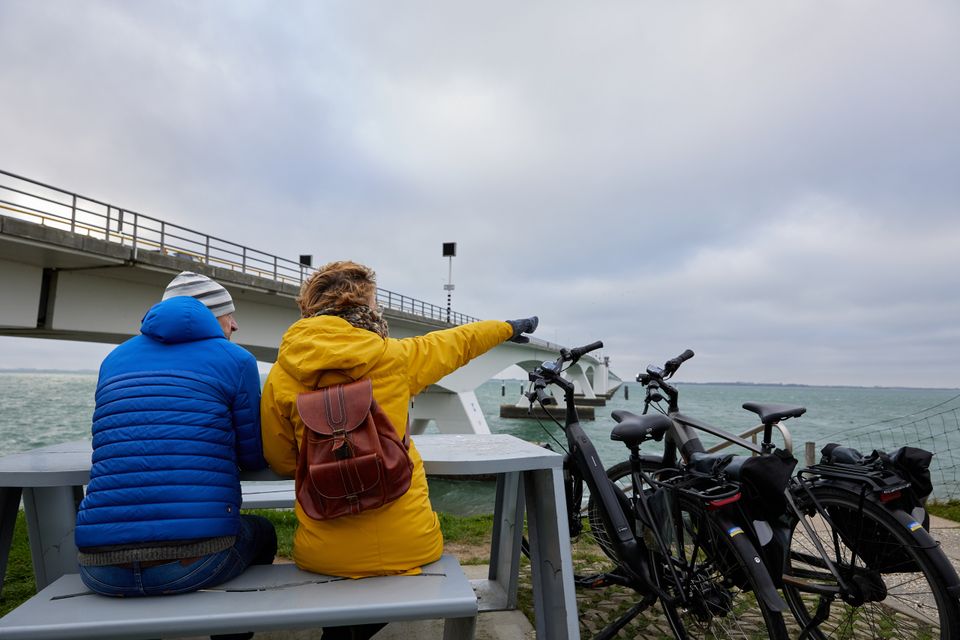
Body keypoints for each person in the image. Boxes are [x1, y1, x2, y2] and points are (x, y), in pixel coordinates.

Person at [260, 260, 537, 640]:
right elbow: (460, 341)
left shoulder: (282, 374)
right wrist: (509, 328)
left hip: (321, 550)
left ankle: (341, 632)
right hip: (411, 543)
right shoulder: (396, 356)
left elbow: (281, 460)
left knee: (341, 578)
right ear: (364, 307)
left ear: (310, 307)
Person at [75, 271, 277, 612]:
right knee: (263, 532)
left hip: (100, 569)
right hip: (195, 563)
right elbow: (253, 457)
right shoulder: (237, 359)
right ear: (210, 316)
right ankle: (232, 629)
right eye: (229, 314)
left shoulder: (113, 360)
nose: (235, 324)